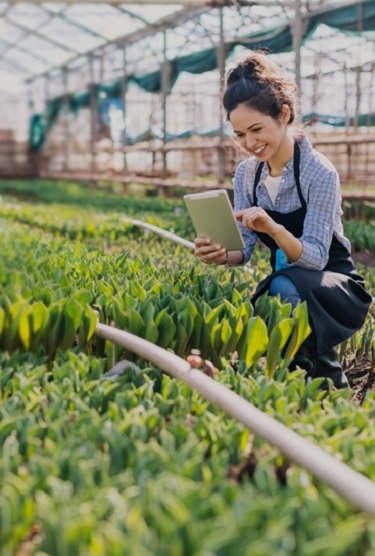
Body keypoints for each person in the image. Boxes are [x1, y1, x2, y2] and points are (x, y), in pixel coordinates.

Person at [194, 52, 372, 389]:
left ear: (284, 115)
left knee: (282, 286)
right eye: (240, 134)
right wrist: (220, 252)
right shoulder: (248, 174)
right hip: (289, 281)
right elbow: (243, 250)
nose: (250, 143)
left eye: (256, 129)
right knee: (279, 288)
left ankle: (329, 384)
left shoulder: (318, 172)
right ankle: (298, 385)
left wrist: (274, 229)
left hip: (333, 283)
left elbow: (316, 259)